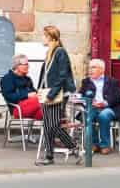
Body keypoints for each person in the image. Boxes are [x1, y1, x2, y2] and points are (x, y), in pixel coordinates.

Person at [34, 26, 77, 165]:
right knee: (47, 125)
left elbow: (62, 76)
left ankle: (73, 147)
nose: (42, 38)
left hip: (57, 94)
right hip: (48, 93)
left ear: (50, 37)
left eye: (43, 35)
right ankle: (49, 156)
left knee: (53, 125)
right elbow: (45, 75)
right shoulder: (49, 53)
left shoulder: (60, 52)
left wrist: (51, 94)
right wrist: (40, 90)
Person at [78, 57, 120, 153]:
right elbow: (81, 96)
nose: (90, 70)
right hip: (92, 107)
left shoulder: (112, 82)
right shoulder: (85, 82)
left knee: (104, 115)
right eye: (90, 67)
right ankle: (94, 144)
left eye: (93, 67)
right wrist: (89, 102)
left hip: (109, 108)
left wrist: (104, 103)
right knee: (87, 115)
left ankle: (105, 145)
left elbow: (118, 97)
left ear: (101, 69)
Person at [0, 54, 41, 120]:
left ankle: (55, 127)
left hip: (32, 106)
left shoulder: (27, 79)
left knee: (48, 111)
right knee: (40, 100)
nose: (28, 66)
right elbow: (9, 96)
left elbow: (34, 92)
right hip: (17, 108)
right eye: (25, 64)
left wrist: (39, 93)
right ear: (16, 66)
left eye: (28, 64)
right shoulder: (7, 79)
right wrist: (27, 95)